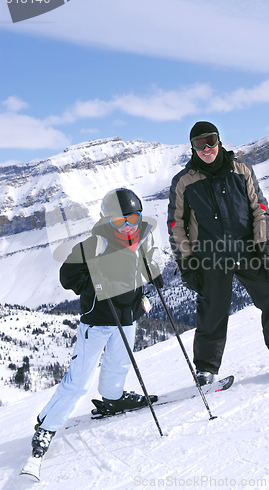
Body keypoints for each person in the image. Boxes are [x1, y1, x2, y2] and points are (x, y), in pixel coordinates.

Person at [31, 188, 163, 458]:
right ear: (107, 220)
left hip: (128, 316)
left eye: (133, 218)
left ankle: (113, 399)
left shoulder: (142, 240)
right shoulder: (93, 245)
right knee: (79, 380)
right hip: (99, 320)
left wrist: (153, 273)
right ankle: (47, 425)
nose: (128, 225)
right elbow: (67, 275)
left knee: (118, 365)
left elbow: (146, 264)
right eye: (119, 220)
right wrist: (94, 284)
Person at [167, 121, 269, 386]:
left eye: (210, 141)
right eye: (199, 144)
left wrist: (264, 248)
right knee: (211, 313)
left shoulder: (241, 170)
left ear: (219, 141)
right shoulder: (184, 181)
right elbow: (175, 225)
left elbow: (260, 208)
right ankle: (206, 368)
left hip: (248, 249)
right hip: (210, 255)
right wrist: (187, 264)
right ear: (192, 147)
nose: (206, 148)